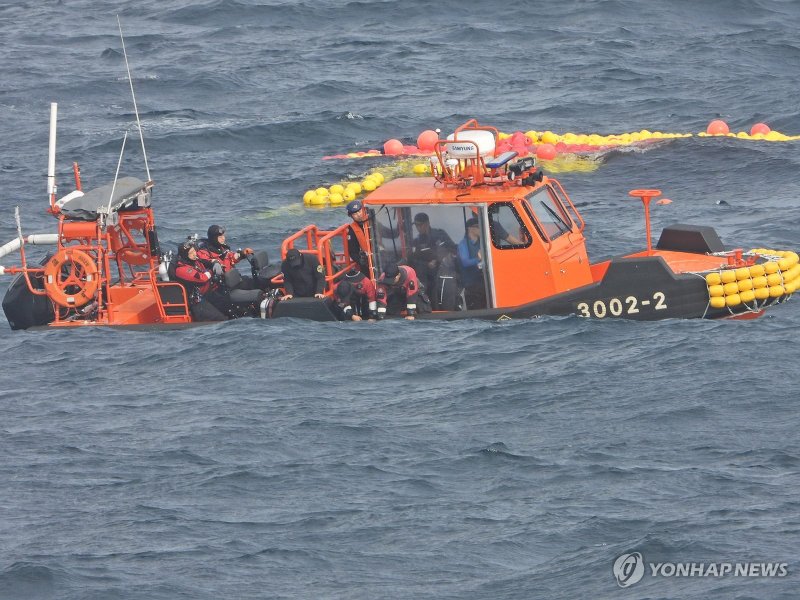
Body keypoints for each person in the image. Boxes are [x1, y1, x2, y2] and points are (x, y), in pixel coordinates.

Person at [408, 212, 457, 308]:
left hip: (443, 274)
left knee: (443, 301)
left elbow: (451, 249)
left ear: (427, 223)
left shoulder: (439, 234)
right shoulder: (416, 241)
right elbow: (413, 259)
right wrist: (426, 264)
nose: (418, 228)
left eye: (420, 225)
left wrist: (437, 260)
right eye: (416, 225)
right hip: (425, 278)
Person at [173, 239, 228, 321]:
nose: (194, 254)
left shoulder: (195, 261)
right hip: (195, 302)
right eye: (191, 253)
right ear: (185, 255)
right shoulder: (182, 270)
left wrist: (215, 263)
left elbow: (206, 261)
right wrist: (212, 271)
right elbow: (202, 279)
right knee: (220, 318)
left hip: (206, 294)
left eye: (194, 251)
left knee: (228, 304)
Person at [457, 217, 486, 309]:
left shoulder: (482, 243)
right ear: (470, 228)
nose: (480, 229)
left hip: (482, 281)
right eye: (478, 226)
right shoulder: (463, 244)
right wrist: (478, 259)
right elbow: (465, 262)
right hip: (470, 284)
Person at [345, 200, 371, 274]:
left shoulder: (372, 221)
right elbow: (352, 252)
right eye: (355, 213)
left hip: (381, 253)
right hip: (367, 261)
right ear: (351, 216)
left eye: (359, 211)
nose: (359, 215)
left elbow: (386, 232)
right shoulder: (352, 231)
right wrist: (361, 261)